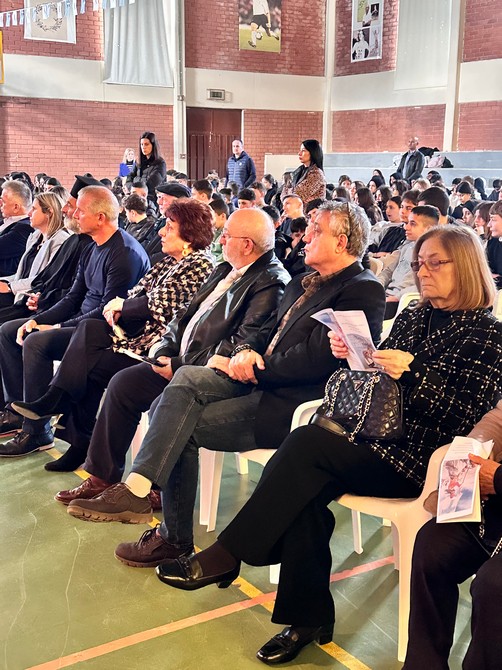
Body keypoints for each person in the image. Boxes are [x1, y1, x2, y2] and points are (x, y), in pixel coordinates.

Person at [155, 225, 502, 666]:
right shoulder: (414, 315)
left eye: (436, 263)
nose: (423, 271)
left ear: (466, 266)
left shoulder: (488, 335)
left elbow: (467, 417)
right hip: (376, 436)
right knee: (304, 490)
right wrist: (356, 353)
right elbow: (378, 381)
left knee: (306, 448)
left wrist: (412, 373)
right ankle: (308, 617)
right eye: (419, 263)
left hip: (422, 457)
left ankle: (231, 554)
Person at [64, 202, 385, 574]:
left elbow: (317, 361)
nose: (306, 236)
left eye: (317, 231)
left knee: (179, 418)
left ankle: (164, 527)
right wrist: (244, 351)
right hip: (258, 383)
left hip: (293, 406)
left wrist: (254, 369)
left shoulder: (361, 289)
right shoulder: (304, 280)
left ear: (342, 242)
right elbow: (265, 330)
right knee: (183, 383)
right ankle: (142, 496)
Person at [51, 208, 290, 507]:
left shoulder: (270, 281)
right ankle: (102, 477)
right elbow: (182, 317)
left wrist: (179, 364)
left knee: (159, 397)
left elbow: (239, 344)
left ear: (247, 245)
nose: (220, 239)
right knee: (122, 383)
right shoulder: (225, 269)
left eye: (227, 235)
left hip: (210, 375)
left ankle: (151, 489)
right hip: (179, 361)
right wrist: (164, 350)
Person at [14, 199, 216, 472]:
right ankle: (66, 417)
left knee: (87, 363)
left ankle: (70, 424)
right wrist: (120, 306)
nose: (161, 232)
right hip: (132, 335)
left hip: (154, 347)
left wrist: (122, 307)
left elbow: (161, 305)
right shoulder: (169, 262)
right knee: (88, 333)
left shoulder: (201, 264)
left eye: (169, 227)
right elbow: (135, 294)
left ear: (189, 236)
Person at [0, 186, 150, 456]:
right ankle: (17, 411)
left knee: (37, 342)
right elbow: (72, 297)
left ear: (101, 217)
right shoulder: (91, 247)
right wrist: (38, 319)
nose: (73, 214)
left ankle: (37, 431)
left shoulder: (124, 254)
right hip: (81, 322)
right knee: (11, 330)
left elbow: (107, 312)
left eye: (80, 210)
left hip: (104, 332)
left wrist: (56, 327)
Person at [403, 401, 502, 669]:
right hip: (495, 513)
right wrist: (472, 452)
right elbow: (498, 418)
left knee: (493, 585)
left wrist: (496, 478)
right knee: (432, 546)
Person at [0, 192, 70, 309]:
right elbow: (22, 274)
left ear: (49, 212)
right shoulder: (35, 236)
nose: (29, 213)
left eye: (34, 209)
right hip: (19, 292)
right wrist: (5, 282)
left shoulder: (60, 241)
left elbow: (45, 279)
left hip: (33, 298)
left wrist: (10, 287)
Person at [378, 205, 440, 318]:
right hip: (385, 295)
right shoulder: (407, 247)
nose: (406, 227)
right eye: (407, 223)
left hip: (402, 302)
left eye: (413, 224)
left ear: (429, 229)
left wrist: (397, 297)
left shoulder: (433, 256)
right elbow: (389, 271)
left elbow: (425, 285)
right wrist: (377, 286)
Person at [0, 180, 33, 275]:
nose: (0, 204)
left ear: (16, 207)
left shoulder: (25, 228)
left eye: (3, 202)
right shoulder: (6, 220)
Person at [126, 131, 167, 203]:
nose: (143, 147)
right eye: (141, 144)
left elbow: (152, 184)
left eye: (146, 144)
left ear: (153, 145)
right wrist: (133, 190)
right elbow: (129, 178)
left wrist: (137, 189)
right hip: (135, 198)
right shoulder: (138, 162)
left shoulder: (160, 163)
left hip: (152, 200)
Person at [283, 140, 326, 206]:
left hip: (309, 211)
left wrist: (288, 191)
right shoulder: (299, 171)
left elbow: (297, 195)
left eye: (303, 150)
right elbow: (283, 193)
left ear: (312, 152)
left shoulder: (316, 174)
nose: (299, 153)